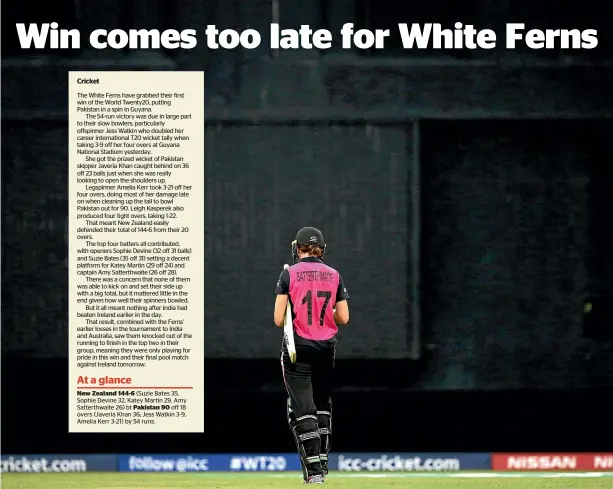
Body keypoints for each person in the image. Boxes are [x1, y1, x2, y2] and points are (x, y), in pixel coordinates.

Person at [274, 227, 350, 484]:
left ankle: (314, 472)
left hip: (298, 347)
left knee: (302, 409)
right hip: (326, 347)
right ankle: (323, 463)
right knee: (321, 405)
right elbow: (344, 317)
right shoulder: (334, 275)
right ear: (321, 249)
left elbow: (277, 319)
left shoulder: (289, 274)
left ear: (298, 248)